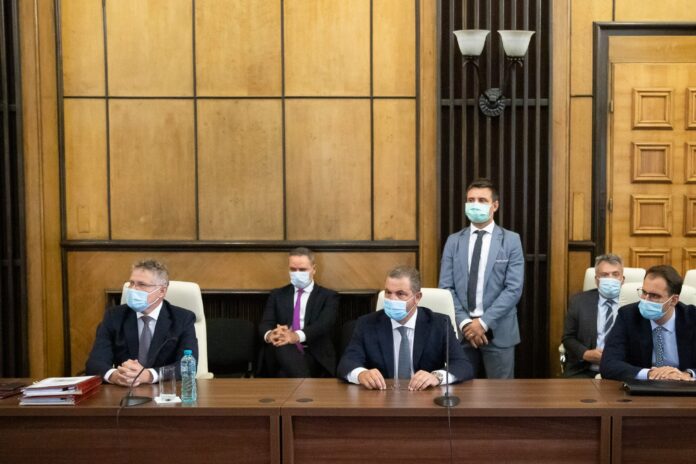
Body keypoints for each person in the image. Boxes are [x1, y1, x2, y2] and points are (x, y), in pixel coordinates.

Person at [438, 178, 524, 379]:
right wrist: (466, 323)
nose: (475, 204)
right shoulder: (453, 241)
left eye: (482, 200)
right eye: (471, 200)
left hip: (499, 331)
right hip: (462, 333)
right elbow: (446, 288)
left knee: (501, 394)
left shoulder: (511, 240)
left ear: (495, 206)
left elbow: (513, 289)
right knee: (462, 392)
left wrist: (483, 323)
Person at [338, 266, 473, 390]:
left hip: (424, 398)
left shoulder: (439, 324)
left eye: (400, 294)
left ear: (417, 297)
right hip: (382, 396)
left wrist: (437, 377)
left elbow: (462, 365)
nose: (392, 299)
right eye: (388, 292)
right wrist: (361, 374)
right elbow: (347, 363)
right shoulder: (367, 324)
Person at [85, 259, 198, 387]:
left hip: (165, 392)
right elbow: (94, 363)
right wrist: (115, 376)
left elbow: (188, 366)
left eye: (141, 284)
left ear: (161, 291)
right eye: (131, 283)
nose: (133, 289)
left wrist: (149, 375)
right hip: (124, 391)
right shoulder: (114, 316)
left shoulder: (183, 319)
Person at [600, 265, 696, 382]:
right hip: (643, 387)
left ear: (673, 300)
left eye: (654, 296)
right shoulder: (628, 316)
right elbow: (608, 364)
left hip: (684, 386)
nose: (646, 299)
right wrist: (650, 373)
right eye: (644, 292)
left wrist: (688, 374)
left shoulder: (692, 317)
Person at [258, 247, 339, 377]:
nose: (297, 273)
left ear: (314, 269)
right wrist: (271, 334)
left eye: (302, 270)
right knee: (284, 346)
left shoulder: (328, 296)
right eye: (293, 269)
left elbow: (324, 324)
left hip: (313, 352)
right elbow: (265, 323)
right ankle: (306, 387)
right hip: (279, 350)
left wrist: (295, 336)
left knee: (284, 374)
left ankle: (302, 384)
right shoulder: (277, 295)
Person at [561, 254, 625, 378]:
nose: (610, 279)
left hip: (622, 371)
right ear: (596, 280)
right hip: (585, 371)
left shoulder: (634, 304)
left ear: (623, 279)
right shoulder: (579, 302)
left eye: (615, 274)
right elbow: (568, 338)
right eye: (605, 275)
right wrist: (585, 354)